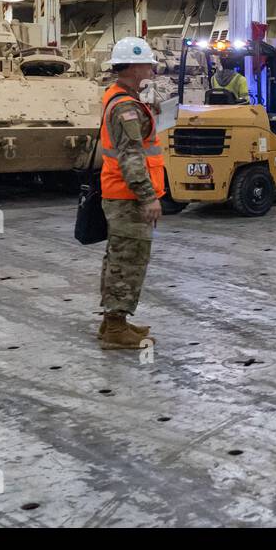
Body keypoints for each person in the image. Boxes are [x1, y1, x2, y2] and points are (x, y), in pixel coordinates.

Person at [97, 36, 164, 350]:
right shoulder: (126, 106)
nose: (151, 66)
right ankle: (114, 329)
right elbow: (131, 156)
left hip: (119, 193)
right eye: (147, 62)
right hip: (127, 196)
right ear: (135, 66)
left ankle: (114, 321)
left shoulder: (122, 97)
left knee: (118, 256)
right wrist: (148, 196)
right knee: (129, 260)